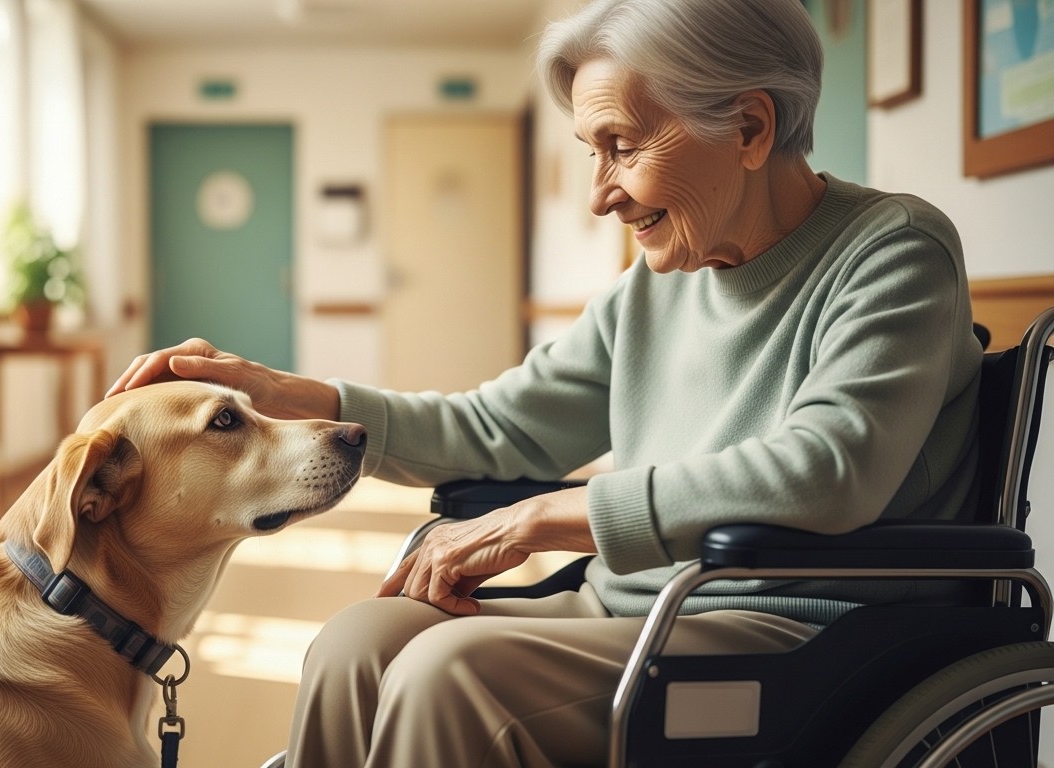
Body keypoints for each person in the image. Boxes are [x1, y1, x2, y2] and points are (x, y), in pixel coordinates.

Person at [108, 0, 983, 764]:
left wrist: (540, 520)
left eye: (622, 147)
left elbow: (828, 467)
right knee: (356, 642)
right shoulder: (654, 288)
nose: (601, 193)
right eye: (589, 152)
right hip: (632, 610)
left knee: (449, 678)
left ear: (750, 128)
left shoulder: (892, 250)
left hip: (802, 637)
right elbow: (501, 428)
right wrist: (294, 394)